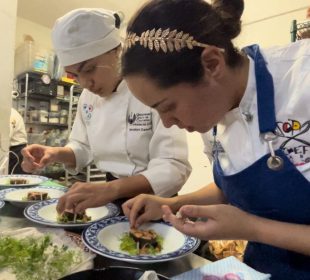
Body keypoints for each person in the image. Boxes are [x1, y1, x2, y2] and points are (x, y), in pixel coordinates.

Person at [120, 0, 310, 278]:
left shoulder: (302, 81)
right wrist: (169, 205)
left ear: (212, 64)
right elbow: (233, 187)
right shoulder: (214, 112)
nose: (167, 122)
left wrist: (252, 228)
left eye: (168, 106)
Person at [21, 8, 191, 213]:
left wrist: (111, 189)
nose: (85, 83)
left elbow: (173, 167)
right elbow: (83, 147)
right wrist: (55, 153)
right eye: (75, 75)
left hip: (155, 201)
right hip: (107, 197)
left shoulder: (149, 87)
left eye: (89, 69)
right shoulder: (88, 97)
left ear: (117, 51)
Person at [9, 108, 28, 174]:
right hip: (10, 151)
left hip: (16, 153)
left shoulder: (10, 113)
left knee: (16, 181)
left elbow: (5, 136)